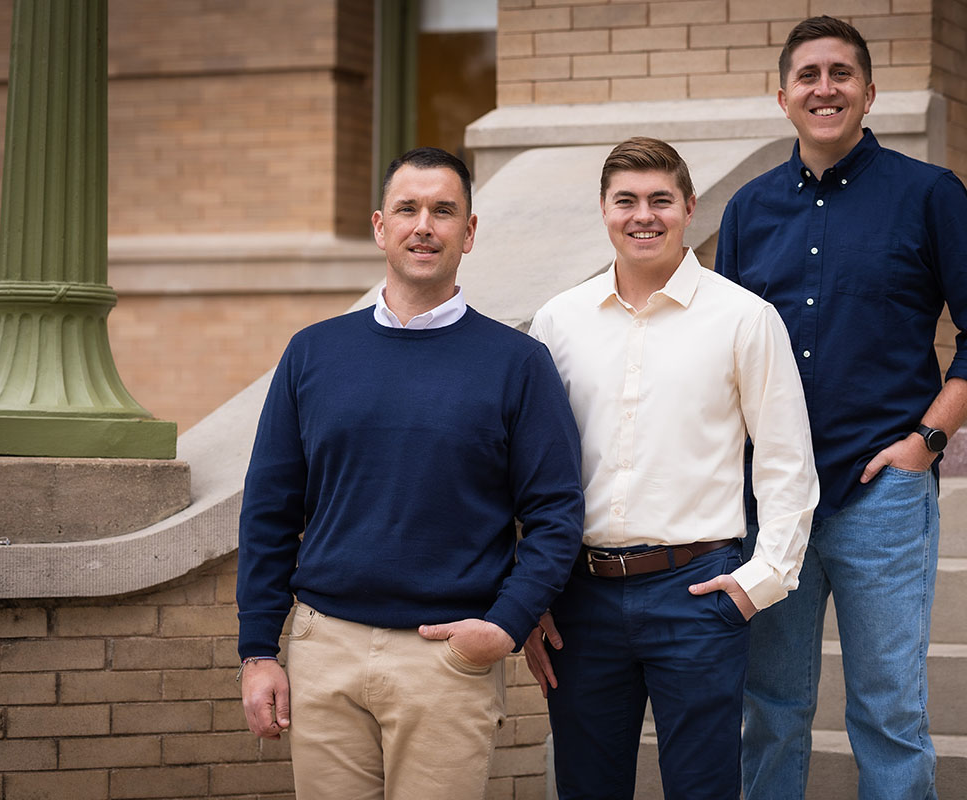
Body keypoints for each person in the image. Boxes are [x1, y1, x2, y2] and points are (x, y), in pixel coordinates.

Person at [235, 146, 585, 799]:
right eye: (408, 209)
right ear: (380, 226)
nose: (424, 225)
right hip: (324, 648)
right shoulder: (313, 354)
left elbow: (556, 515)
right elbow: (269, 511)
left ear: (469, 232)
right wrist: (258, 652)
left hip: (446, 659)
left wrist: (505, 625)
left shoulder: (517, 363)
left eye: (444, 211)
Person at [716, 16, 967, 799]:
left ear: (868, 93)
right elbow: (720, 354)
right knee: (771, 709)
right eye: (809, 75)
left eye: (841, 74)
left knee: (888, 713)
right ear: (783, 95)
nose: (825, 88)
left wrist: (926, 441)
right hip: (773, 501)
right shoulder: (748, 212)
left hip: (881, 494)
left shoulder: (930, 195)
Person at [525, 137, 819, 799]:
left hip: (697, 592)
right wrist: (531, 594)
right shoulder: (557, 322)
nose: (643, 215)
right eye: (625, 200)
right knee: (587, 788)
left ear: (689, 207)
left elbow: (785, 462)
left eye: (660, 199)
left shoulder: (743, 317)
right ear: (603, 210)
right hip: (581, 598)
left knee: (703, 789)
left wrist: (762, 579)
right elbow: (530, 472)